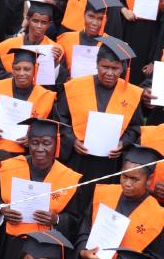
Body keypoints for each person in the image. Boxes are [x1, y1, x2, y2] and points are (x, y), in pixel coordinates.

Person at [75, 146, 164, 259]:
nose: (127, 183)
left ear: (149, 180)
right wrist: (83, 251)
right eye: (124, 176)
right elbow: (86, 226)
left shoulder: (158, 216)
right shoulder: (103, 194)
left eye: (134, 179)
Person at [0, 118, 83, 259]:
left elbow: (76, 218)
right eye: (34, 142)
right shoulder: (9, 168)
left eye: (47, 143)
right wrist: (1, 210)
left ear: (56, 144)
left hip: (47, 247)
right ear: (28, 143)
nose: (40, 149)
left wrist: (57, 220)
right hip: (11, 245)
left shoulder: (69, 178)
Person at [56, 35, 145, 192]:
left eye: (115, 68)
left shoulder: (132, 93)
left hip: (110, 163)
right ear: (97, 65)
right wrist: (72, 140)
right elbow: (60, 119)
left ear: (122, 69)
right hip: (78, 159)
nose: (109, 73)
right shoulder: (74, 87)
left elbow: (135, 127)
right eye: (105, 67)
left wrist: (123, 143)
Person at [0, 48, 57, 157]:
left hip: (27, 155)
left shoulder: (46, 97)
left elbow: (50, 128)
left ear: (35, 69)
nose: (21, 73)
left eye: (27, 69)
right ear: (12, 69)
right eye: (17, 69)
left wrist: (34, 138)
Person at [0, 0, 63, 81]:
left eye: (44, 22)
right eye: (35, 21)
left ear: (49, 24)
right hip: (11, 88)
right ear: (28, 19)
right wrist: (20, 77)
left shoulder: (56, 50)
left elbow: (61, 82)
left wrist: (56, 63)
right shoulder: (6, 46)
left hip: (41, 89)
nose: (39, 26)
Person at [57, 0, 121, 79]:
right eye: (91, 16)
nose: (94, 23)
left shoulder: (111, 45)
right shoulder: (66, 39)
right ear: (84, 15)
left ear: (105, 19)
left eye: (100, 19)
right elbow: (58, 71)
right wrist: (66, 78)